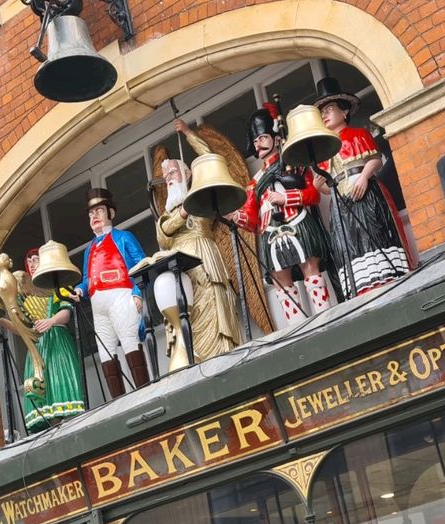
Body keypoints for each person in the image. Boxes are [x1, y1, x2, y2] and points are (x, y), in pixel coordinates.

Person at [230, 105, 333, 324]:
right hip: (270, 230)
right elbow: (252, 218)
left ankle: (326, 316)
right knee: (280, 278)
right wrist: (235, 217)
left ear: (276, 138)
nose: (258, 143)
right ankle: (297, 325)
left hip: (299, 221)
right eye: (255, 140)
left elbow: (313, 194)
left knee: (310, 268)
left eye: (263, 137)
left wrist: (286, 198)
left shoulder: (295, 165)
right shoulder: (255, 181)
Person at [313, 76, 411, 296]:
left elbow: (375, 159)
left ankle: (385, 275)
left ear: (344, 111)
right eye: (323, 113)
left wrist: (365, 177)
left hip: (364, 194)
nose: (325, 115)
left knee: (373, 232)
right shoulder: (324, 150)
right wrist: (322, 188)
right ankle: (363, 287)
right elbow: (331, 186)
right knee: (350, 242)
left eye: (329, 109)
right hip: (342, 204)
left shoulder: (358, 135)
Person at [155, 119, 242, 362]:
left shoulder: (200, 196)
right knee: (188, 314)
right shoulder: (168, 211)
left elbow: (212, 160)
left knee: (216, 306)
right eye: (166, 175)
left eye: (173, 172)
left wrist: (188, 134)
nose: (169, 178)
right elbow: (163, 236)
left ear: (187, 173)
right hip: (181, 267)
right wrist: (182, 213)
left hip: (206, 258)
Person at [0, 250, 85, 433]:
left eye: (37, 259)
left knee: (59, 380)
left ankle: (71, 424)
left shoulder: (57, 285)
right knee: (43, 385)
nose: (33, 263)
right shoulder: (24, 294)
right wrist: (2, 320)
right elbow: (22, 328)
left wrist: (51, 321)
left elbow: (66, 312)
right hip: (37, 345)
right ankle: (53, 427)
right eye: (29, 261)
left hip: (57, 339)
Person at [73, 188, 150, 398]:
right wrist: (80, 289)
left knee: (129, 341)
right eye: (91, 214)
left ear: (110, 213)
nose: (94, 217)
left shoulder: (124, 237)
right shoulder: (90, 248)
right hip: (99, 306)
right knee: (106, 351)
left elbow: (141, 264)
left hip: (120, 295)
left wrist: (137, 291)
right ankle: (118, 398)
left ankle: (143, 391)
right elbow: (88, 278)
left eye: (98, 211)